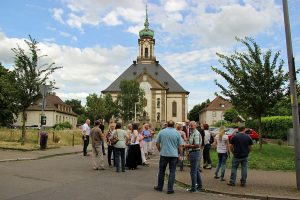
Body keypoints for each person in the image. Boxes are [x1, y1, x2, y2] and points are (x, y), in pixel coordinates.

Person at [154, 120, 183, 194]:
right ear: (174, 125)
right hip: (174, 155)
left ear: (167, 125)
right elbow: (180, 146)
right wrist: (181, 154)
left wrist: (160, 150)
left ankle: (160, 187)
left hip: (164, 154)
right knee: (172, 171)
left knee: (161, 171)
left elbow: (157, 143)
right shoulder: (177, 133)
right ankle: (170, 189)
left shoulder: (162, 132)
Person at [185, 121, 202, 192]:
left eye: (192, 126)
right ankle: (199, 184)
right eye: (189, 126)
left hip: (195, 153)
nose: (190, 127)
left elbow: (197, 145)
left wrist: (188, 146)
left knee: (193, 171)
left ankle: (193, 188)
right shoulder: (192, 133)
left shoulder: (196, 133)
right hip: (193, 152)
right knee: (196, 170)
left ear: (195, 126)